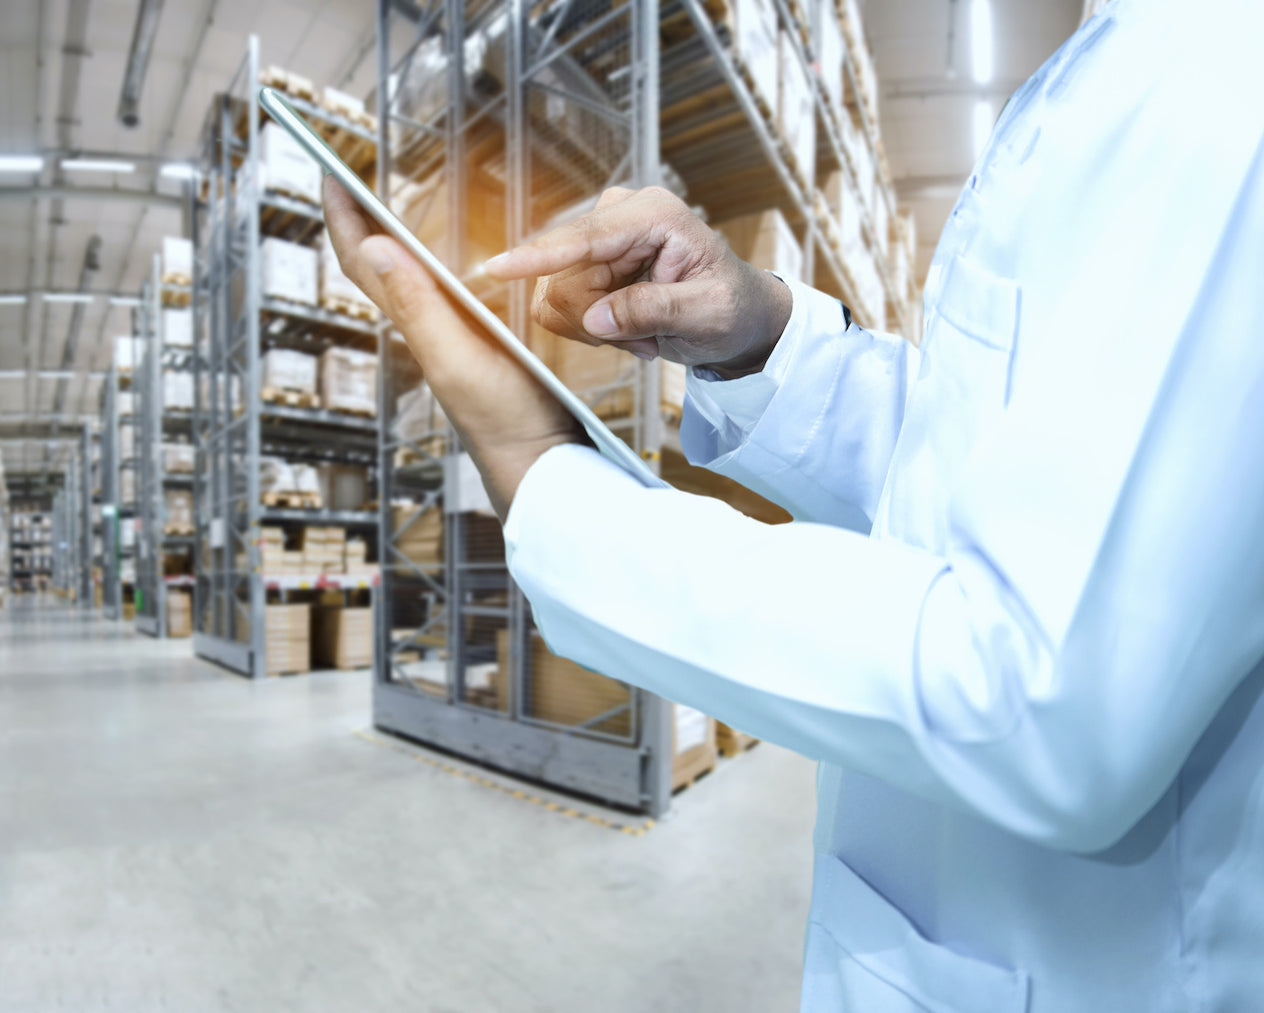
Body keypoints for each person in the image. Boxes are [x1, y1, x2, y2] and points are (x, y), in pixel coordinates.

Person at [323, 2, 1264, 1010]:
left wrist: (536, 458)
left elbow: (1038, 691)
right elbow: (978, 462)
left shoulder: (1220, 76)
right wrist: (757, 332)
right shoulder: (1129, 56)